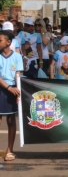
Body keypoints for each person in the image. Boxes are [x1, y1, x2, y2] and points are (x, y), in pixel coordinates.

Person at [0, 30, 23, 161]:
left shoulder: (17, 57)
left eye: (0, 40)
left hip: (12, 90)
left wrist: (16, 89)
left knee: (10, 120)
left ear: (8, 42)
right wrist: (9, 88)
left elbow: (18, 74)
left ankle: (10, 150)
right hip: (3, 88)